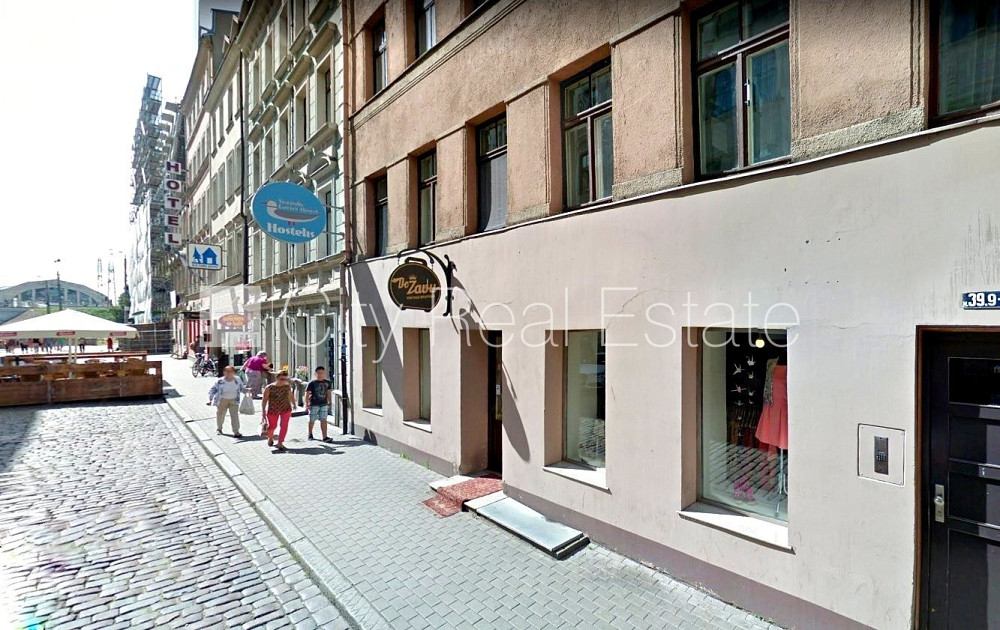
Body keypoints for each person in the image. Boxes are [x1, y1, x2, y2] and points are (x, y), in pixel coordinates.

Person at [207, 365, 245, 437]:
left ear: (234, 372)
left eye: (230, 371)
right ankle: (219, 429)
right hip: (222, 400)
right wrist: (210, 399)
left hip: (234, 400)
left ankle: (236, 431)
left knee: (234, 415)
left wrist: (246, 390)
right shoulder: (220, 381)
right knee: (220, 415)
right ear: (224, 372)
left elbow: (241, 388)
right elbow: (212, 390)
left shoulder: (237, 379)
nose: (228, 373)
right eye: (226, 371)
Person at [261, 370, 294, 451]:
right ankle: (270, 437)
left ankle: (280, 442)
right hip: (273, 409)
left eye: (285, 379)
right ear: (277, 378)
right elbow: (264, 400)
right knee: (272, 426)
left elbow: (290, 395)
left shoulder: (287, 386)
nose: (283, 381)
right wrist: (263, 411)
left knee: (284, 426)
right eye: (282, 379)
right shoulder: (269, 387)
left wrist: (294, 404)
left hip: (286, 408)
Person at [305, 366, 334, 443]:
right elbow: (307, 394)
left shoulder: (328, 382)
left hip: (323, 404)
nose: (321, 375)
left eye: (322, 373)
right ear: (315, 374)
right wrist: (307, 404)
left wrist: (329, 402)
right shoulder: (312, 383)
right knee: (312, 420)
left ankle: (325, 437)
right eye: (319, 373)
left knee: (323, 420)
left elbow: (328, 393)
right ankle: (310, 434)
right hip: (314, 404)